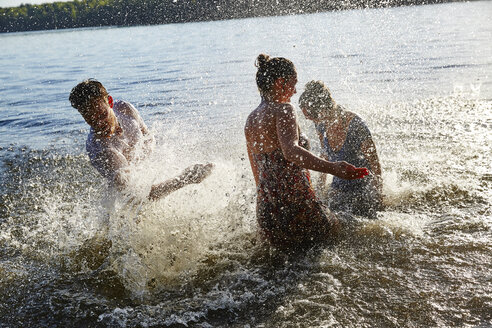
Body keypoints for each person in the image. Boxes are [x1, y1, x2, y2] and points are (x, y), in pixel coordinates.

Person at [244, 54, 369, 248]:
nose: (294, 91)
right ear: (280, 83)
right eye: (293, 84)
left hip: (267, 208)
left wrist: (264, 207)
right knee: (341, 238)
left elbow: (256, 172)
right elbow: (291, 152)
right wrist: (333, 168)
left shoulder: (251, 119)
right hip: (295, 200)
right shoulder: (283, 109)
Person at [69, 79, 213, 201]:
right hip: (129, 203)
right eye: (89, 118)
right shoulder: (103, 152)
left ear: (110, 102)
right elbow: (141, 198)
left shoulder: (124, 108)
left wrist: (141, 160)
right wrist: (185, 179)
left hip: (148, 175)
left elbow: (148, 137)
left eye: (101, 114)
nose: (98, 123)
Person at [299, 80, 383, 217]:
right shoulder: (320, 123)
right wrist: (319, 191)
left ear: (322, 109)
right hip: (338, 189)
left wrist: (378, 197)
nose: (309, 120)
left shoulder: (355, 124)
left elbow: (375, 163)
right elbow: (324, 155)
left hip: (363, 190)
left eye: (310, 115)